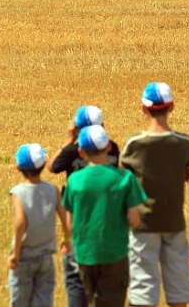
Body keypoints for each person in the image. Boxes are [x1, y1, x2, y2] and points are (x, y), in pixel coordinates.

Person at [121, 83, 189, 307]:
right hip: (174, 221)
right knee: (178, 284)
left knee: (143, 285)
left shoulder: (134, 144)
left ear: (143, 109)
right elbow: (187, 172)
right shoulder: (184, 143)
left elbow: (124, 177)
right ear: (171, 107)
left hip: (143, 223)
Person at [62, 125, 147, 307]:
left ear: (81, 152)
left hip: (85, 253)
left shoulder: (74, 180)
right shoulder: (124, 178)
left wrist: (69, 240)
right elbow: (134, 219)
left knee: (92, 300)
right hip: (114, 252)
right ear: (109, 147)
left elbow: (69, 223)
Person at [48, 106, 120, 307]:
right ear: (102, 127)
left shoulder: (73, 150)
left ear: (77, 129)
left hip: (79, 216)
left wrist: (68, 140)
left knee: (77, 285)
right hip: (107, 220)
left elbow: (52, 166)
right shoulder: (112, 148)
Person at [8, 143, 71, 307]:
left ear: (18, 168)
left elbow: (20, 222)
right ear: (43, 165)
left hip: (24, 257)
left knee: (19, 301)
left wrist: (15, 253)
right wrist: (67, 239)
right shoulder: (52, 190)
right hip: (46, 257)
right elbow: (65, 218)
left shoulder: (18, 192)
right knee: (44, 301)